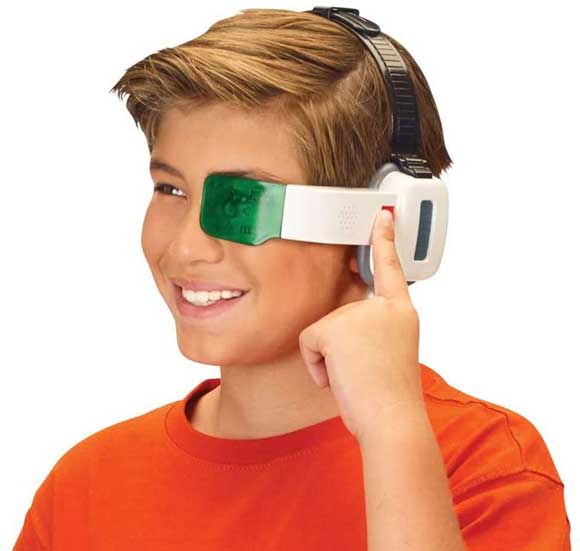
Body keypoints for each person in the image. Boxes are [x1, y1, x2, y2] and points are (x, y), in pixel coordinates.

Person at [14, 8, 571, 550]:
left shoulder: (484, 465)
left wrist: (391, 430)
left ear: (386, 219)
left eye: (243, 202)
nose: (184, 248)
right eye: (170, 189)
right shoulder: (86, 486)